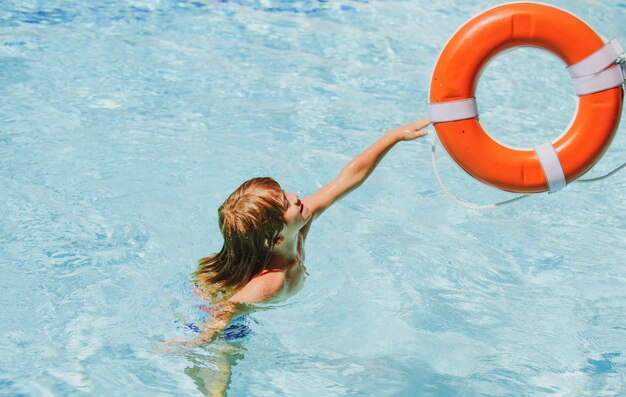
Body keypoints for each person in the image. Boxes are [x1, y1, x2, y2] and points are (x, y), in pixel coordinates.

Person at [167, 118, 431, 350]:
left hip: (228, 303)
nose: (295, 197)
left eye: (284, 193)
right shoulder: (270, 283)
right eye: (286, 203)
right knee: (222, 373)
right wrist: (192, 343)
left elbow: (346, 180)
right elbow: (225, 313)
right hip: (216, 317)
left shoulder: (300, 223)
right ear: (276, 239)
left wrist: (393, 136)